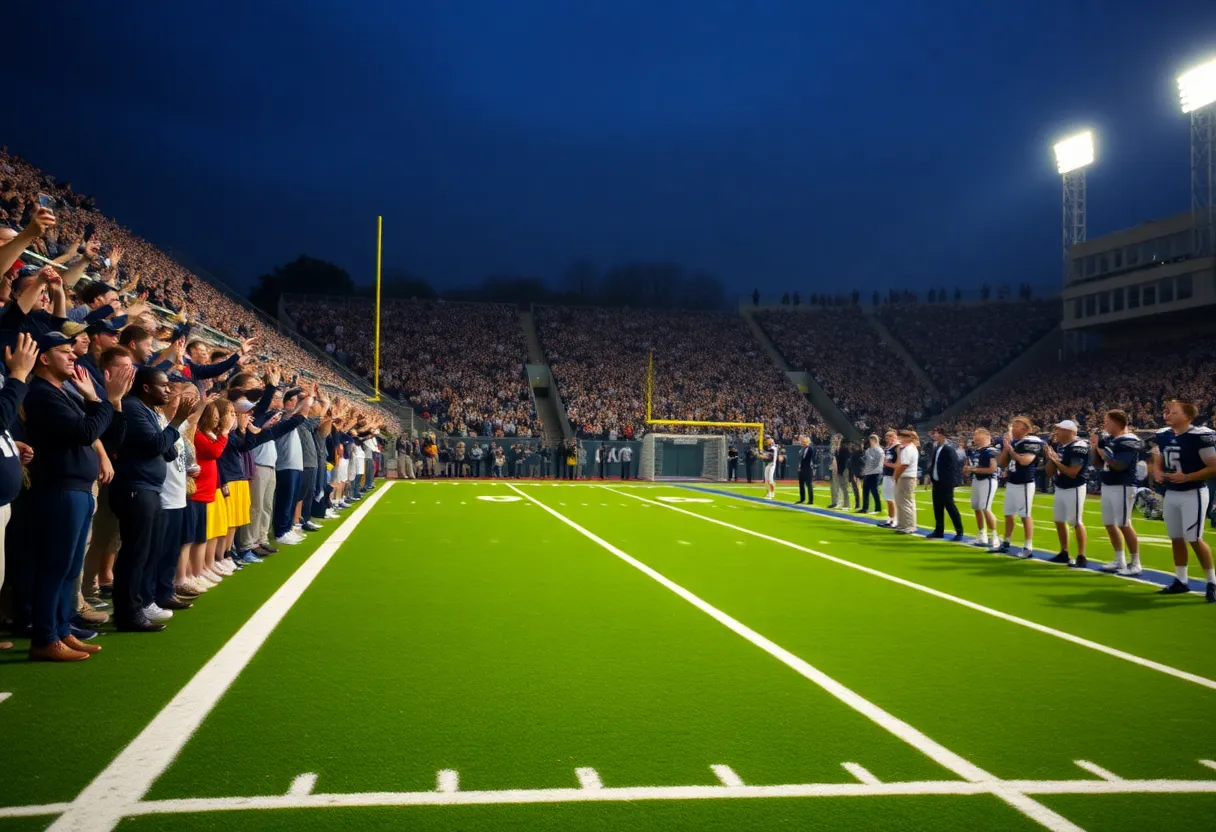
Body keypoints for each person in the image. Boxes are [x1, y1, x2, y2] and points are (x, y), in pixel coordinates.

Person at [25, 331, 131, 660]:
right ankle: (45, 639)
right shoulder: (41, 393)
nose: (73, 357)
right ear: (44, 358)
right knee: (55, 567)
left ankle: (61, 630)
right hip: (59, 489)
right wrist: (99, 401)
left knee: (70, 569)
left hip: (79, 489)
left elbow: (114, 434)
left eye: (74, 352)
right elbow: (86, 431)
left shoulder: (67, 392)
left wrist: (112, 402)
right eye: (64, 351)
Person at [110, 367, 196, 630]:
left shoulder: (149, 411)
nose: (168, 390)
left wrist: (170, 426)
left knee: (146, 552)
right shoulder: (133, 407)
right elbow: (154, 446)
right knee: (134, 554)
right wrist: (174, 422)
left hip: (150, 488)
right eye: (163, 386)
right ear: (146, 387)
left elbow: (168, 453)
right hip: (136, 487)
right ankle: (128, 612)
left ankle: (139, 606)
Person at [1151, 400, 1216, 601]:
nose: (1167, 414)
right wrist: (1158, 471)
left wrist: (1187, 477)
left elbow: (1213, 466)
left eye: (1173, 412)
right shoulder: (1164, 435)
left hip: (1193, 491)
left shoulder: (1199, 436)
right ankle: (1181, 580)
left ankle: (1212, 582)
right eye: (1166, 411)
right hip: (1171, 492)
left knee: (1194, 538)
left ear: (1188, 416)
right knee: (1176, 537)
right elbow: (1159, 459)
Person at [1091, 410, 1142, 575]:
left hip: (1123, 485)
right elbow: (1098, 464)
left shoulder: (1129, 440)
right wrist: (1095, 446)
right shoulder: (1112, 440)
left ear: (1116, 422)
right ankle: (1119, 559)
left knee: (1124, 523)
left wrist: (1101, 451)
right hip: (1108, 484)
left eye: (1107, 421)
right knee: (1109, 523)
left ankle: (1136, 562)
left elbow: (1119, 465)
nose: (1105, 425)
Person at [992, 416, 1044, 558]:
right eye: (1013, 426)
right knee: (1008, 514)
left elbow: (1025, 461)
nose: (1013, 429)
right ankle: (1006, 542)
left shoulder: (1032, 441)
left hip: (1025, 482)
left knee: (1025, 515)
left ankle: (1028, 546)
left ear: (1026, 429)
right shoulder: (1015, 442)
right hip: (1012, 481)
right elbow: (1002, 463)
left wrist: (1011, 449)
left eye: (1016, 426)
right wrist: (1006, 447)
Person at [1044, 419, 1089, 567]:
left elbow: (1072, 472)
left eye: (1060, 429)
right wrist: (1051, 458)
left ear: (1070, 431)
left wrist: (1055, 460)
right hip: (1061, 486)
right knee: (1059, 520)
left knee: (1076, 521)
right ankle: (1064, 552)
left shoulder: (1079, 446)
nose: (1056, 432)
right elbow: (1049, 472)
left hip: (1074, 487)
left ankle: (1081, 556)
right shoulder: (1062, 447)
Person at [964, 428, 999, 548]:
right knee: (976, 507)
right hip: (977, 480)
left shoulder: (992, 450)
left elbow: (992, 469)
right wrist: (968, 470)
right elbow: (973, 467)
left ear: (986, 435)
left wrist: (972, 469)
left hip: (988, 480)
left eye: (977, 435)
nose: (974, 437)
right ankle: (981, 534)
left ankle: (994, 536)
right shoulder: (976, 451)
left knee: (985, 507)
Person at [927, 427, 964, 540]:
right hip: (937, 481)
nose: (934, 436)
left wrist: (953, 483)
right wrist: (930, 477)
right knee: (937, 507)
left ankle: (959, 530)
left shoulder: (949, 448)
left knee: (950, 506)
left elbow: (954, 466)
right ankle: (939, 530)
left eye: (936, 433)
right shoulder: (938, 447)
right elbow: (934, 464)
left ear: (941, 434)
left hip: (946, 482)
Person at [892, 429, 919, 534]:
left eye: (901, 437)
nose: (899, 439)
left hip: (906, 477)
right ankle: (905, 524)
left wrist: (896, 476)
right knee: (906, 502)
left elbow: (904, 465)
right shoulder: (911, 448)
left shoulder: (908, 449)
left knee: (904, 502)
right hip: (908, 477)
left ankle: (907, 526)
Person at [878, 429, 899, 527]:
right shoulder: (888, 448)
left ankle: (894, 520)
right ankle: (890, 518)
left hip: (892, 475)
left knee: (891, 498)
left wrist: (895, 474)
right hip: (886, 474)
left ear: (894, 437)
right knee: (887, 497)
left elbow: (897, 463)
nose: (887, 439)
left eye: (889, 437)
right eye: (886, 437)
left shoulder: (897, 447)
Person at [860, 434, 882, 514]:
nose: (869, 442)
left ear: (874, 440)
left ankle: (878, 508)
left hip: (875, 472)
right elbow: (867, 461)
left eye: (870, 440)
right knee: (865, 490)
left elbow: (877, 461)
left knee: (874, 490)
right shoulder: (869, 449)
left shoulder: (879, 450)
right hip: (868, 472)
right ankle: (865, 508)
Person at [829, 435, 851, 509]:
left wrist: (845, 470)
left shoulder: (844, 449)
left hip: (843, 470)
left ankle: (846, 504)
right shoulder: (835, 449)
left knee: (844, 487)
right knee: (834, 487)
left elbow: (848, 460)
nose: (834, 440)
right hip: (836, 469)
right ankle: (835, 502)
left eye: (836, 439)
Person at [796, 436, 816, 504]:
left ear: (807, 442)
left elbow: (808, 458)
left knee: (809, 484)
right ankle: (802, 499)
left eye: (804, 442)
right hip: (802, 468)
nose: (802, 443)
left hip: (808, 468)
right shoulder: (801, 449)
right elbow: (800, 459)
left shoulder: (810, 449)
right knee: (801, 484)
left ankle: (811, 500)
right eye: (802, 442)